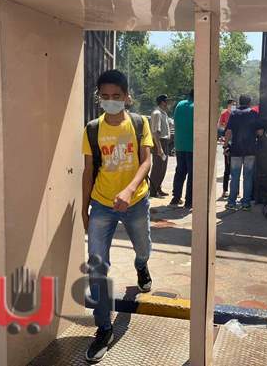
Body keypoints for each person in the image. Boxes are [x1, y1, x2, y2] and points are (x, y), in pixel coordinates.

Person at [81, 69, 154, 363]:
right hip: (102, 204)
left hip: (135, 201)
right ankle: (104, 329)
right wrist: (85, 208)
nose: (110, 100)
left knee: (143, 247)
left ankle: (141, 265)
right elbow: (88, 171)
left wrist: (130, 189)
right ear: (99, 97)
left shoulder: (139, 123)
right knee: (97, 266)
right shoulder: (92, 129)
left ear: (126, 97)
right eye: (105, 96)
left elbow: (146, 161)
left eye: (116, 96)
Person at [224, 94, 264, 211]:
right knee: (248, 177)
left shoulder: (234, 114)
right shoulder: (253, 114)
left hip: (236, 150)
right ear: (249, 103)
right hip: (250, 150)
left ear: (239, 102)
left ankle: (231, 203)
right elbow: (260, 132)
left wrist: (225, 146)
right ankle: (246, 204)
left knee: (234, 177)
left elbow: (228, 132)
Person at [170, 89, 194, 209]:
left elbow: (175, 121)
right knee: (192, 174)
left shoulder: (180, 104)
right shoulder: (197, 107)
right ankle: (189, 201)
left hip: (179, 144)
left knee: (180, 172)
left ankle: (175, 198)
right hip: (192, 146)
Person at [149, 94, 171, 198]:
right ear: (163, 102)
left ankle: (158, 188)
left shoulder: (164, 113)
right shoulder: (157, 113)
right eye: (167, 101)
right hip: (159, 142)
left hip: (164, 142)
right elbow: (155, 132)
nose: (168, 104)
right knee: (157, 168)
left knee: (163, 168)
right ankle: (153, 190)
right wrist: (159, 148)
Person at [218, 99, 236, 198]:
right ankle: (225, 190)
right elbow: (220, 126)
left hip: (236, 144)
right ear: (228, 105)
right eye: (232, 105)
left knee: (236, 169)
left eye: (235, 105)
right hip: (228, 143)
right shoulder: (224, 114)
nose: (234, 106)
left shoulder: (237, 114)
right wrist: (225, 126)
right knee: (227, 168)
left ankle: (236, 191)